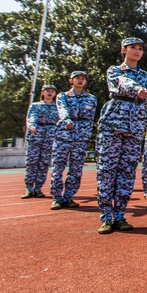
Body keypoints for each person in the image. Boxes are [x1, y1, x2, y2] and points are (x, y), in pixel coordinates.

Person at [95, 37, 147, 234]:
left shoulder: (145, 75)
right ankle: (105, 217)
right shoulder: (114, 70)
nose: (137, 51)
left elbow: (145, 99)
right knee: (107, 169)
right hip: (113, 123)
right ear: (123, 50)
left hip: (134, 125)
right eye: (133, 48)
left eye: (140, 48)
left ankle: (119, 215)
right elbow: (122, 82)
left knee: (127, 171)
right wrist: (137, 90)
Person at [49, 72, 98, 209]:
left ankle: (69, 196)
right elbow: (62, 110)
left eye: (83, 78)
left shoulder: (91, 99)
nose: (81, 80)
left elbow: (91, 117)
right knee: (58, 167)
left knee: (76, 169)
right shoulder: (63, 96)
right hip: (63, 136)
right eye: (78, 78)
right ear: (71, 80)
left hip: (81, 138)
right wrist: (66, 120)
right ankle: (57, 197)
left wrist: (87, 132)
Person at [22, 85, 59, 199]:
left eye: (52, 91)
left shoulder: (58, 107)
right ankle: (29, 188)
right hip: (36, 135)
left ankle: (38, 188)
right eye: (47, 91)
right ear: (42, 92)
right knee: (32, 162)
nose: (50, 93)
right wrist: (32, 126)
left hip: (50, 137)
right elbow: (31, 117)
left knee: (44, 163)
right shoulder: (35, 106)